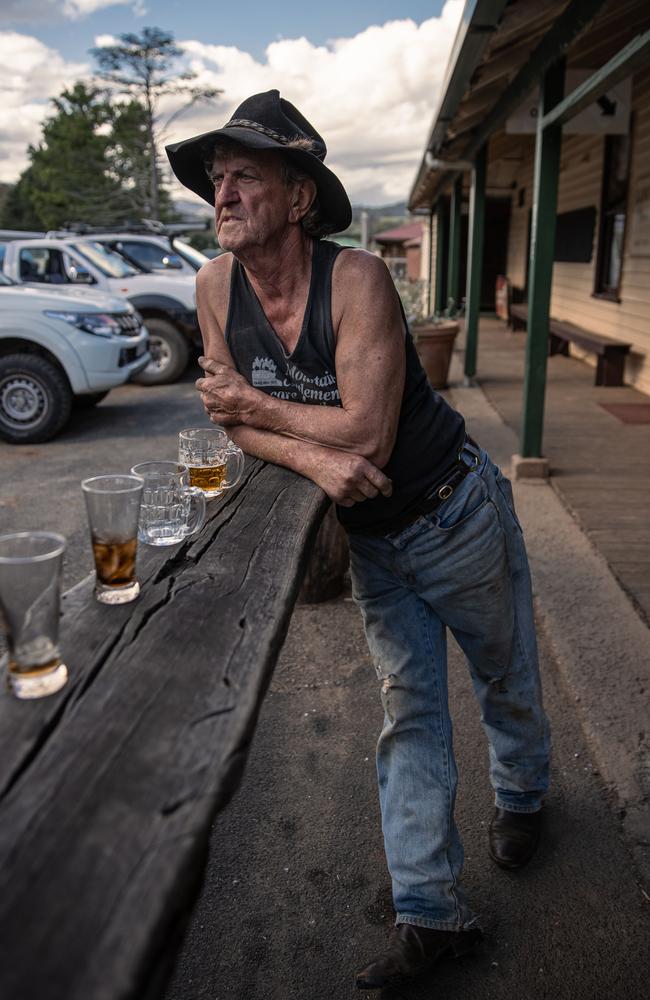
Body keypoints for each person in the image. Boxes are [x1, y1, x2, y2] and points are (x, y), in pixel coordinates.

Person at [166, 90, 550, 991]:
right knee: (408, 712)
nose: (221, 193)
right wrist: (319, 461)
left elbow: (368, 434)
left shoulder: (359, 281)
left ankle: (526, 794)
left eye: (244, 176)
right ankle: (429, 912)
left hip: (454, 511)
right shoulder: (214, 286)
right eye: (215, 179)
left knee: (504, 674)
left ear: (300, 199)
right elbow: (230, 430)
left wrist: (276, 420)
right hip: (376, 543)